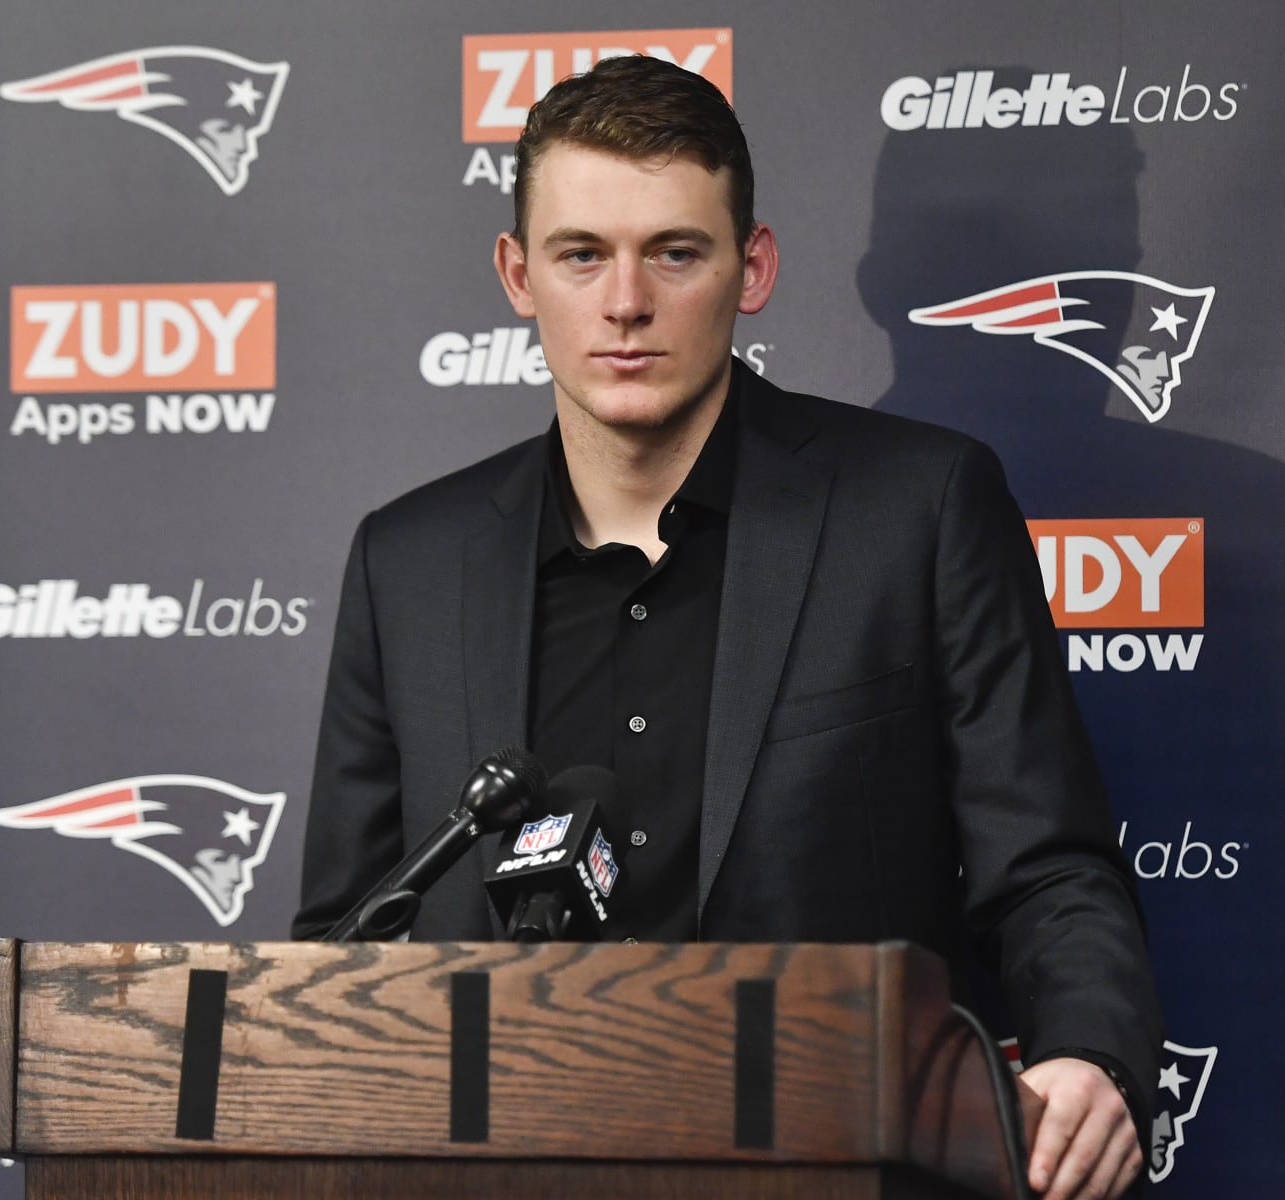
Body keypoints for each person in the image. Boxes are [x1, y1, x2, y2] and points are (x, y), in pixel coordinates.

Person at [293, 54, 1161, 1199]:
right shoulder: (406, 563)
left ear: (752, 268)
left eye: (675, 252)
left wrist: (1091, 1052)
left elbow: (1048, 866)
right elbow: (341, 946)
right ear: (517, 274)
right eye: (581, 255)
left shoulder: (921, 509)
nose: (625, 303)